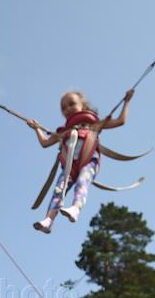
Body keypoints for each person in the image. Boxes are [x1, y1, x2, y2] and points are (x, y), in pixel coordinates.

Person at [29, 89, 134, 233]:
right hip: (69, 166)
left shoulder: (93, 125)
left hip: (89, 161)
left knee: (82, 182)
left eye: (71, 104)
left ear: (83, 105)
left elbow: (120, 121)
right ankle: (48, 220)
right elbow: (45, 143)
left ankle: (75, 208)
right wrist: (37, 129)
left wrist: (127, 101)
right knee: (59, 189)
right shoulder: (63, 132)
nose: (67, 109)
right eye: (63, 108)